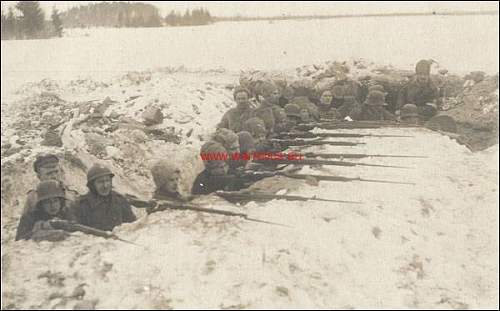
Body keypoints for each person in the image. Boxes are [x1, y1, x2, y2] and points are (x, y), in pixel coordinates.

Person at [72, 165, 136, 231]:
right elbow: (77, 233)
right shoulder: (81, 205)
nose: (105, 186)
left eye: (107, 181)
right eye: (100, 182)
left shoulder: (120, 200)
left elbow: (132, 227)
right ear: (92, 185)